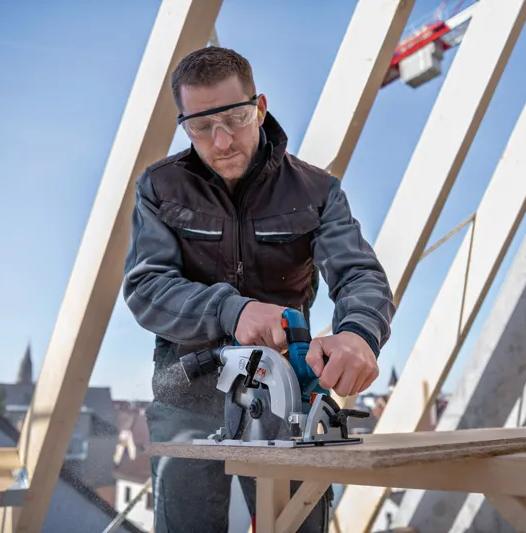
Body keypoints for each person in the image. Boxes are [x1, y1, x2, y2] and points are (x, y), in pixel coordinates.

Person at [122, 46, 395, 533]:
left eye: (235, 118)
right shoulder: (159, 187)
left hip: (286, 400)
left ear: (261, 107)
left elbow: (359, 275)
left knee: (298, 525)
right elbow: (146, 286)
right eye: (201, 127)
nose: (222, 141)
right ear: (183, 123)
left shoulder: (317, 192)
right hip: (188, 394)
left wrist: (358, 333)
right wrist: (232, 310)